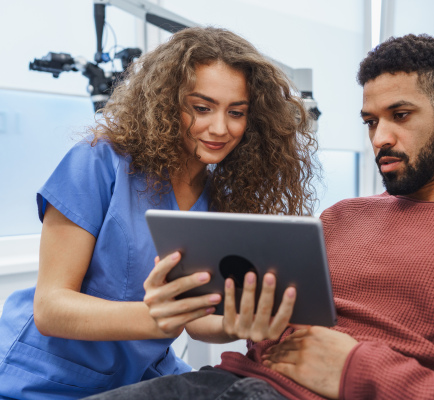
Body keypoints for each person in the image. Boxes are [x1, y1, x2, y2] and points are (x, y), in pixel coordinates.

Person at [84, 34, 434, 400]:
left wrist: (357, 370)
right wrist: (239, 319)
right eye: (370, 121)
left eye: (400, 115)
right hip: (228, 382)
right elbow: (265, 330)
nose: (379, 139)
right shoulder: (342, 218)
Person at [0, 26, 318, 400]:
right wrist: (155, 318)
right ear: (168, 103)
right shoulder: (98, 163)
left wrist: (245, 323)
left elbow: (200, 324)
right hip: (43, 378)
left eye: (236, 112)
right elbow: (50, 308)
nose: (220, 128)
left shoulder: (224, 199)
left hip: (138, 378)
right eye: (201, 108)